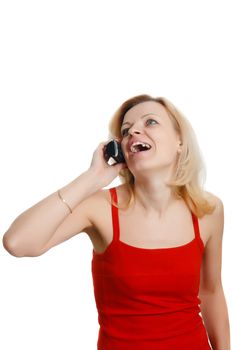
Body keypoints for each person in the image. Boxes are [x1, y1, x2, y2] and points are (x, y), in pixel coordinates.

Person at [2, 94, 230, 349]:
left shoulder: (208, 210)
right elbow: (17, 242)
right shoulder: (100, 207)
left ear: (179, 141)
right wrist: (92, 177)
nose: (133, 131)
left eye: (150, 122)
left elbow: (211, 292)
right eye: (126, 130)